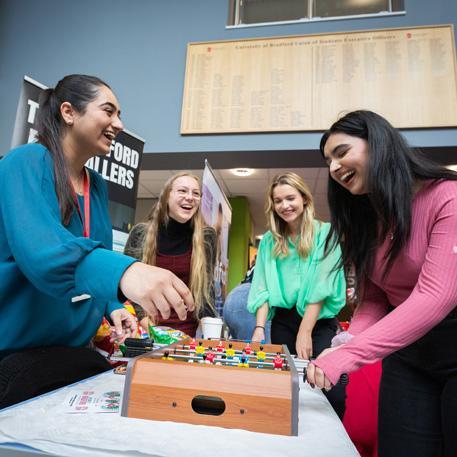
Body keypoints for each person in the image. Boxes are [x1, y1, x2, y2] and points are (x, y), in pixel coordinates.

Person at [0, 74, 193, 407]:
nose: (118, 124)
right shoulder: (25, 162)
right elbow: (43, 253)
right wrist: (127, 273)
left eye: (119, 115)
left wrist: (113, 306)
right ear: (69, 112)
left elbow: (95, 252)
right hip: (18, 357)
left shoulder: (97, 185)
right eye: (109, 111)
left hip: (73, 354)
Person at [308, 110, 457, 456]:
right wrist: (347, 340)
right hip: (409, 355)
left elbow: (436, 296)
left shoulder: (447, 196)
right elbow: (375, 297)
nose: (333, 167)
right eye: (328, 160)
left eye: (341, 152)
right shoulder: (368, 219)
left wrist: (348, 356)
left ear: (378, 143)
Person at [247, 172, 347, 418]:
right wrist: (260, 327)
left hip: (318, 322)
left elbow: (321, 286)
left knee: (330, 388)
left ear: (304, 198)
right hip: (283, 322)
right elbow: (263, 286)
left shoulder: (326, 233)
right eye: (278, 201)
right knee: (288, 390)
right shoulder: (270, 240)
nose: (285, 206)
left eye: (290, 198)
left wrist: (305, 330)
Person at [124, 172, 217, 337]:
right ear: (167, 196)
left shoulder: (207, 237)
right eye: (182, 191)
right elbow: (129, 286)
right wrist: (150, 328)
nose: (190, 197)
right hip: (146, 331)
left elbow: (206, 290)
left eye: (196, 193)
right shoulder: (141, 233)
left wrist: (210, 332)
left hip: (186, 333)